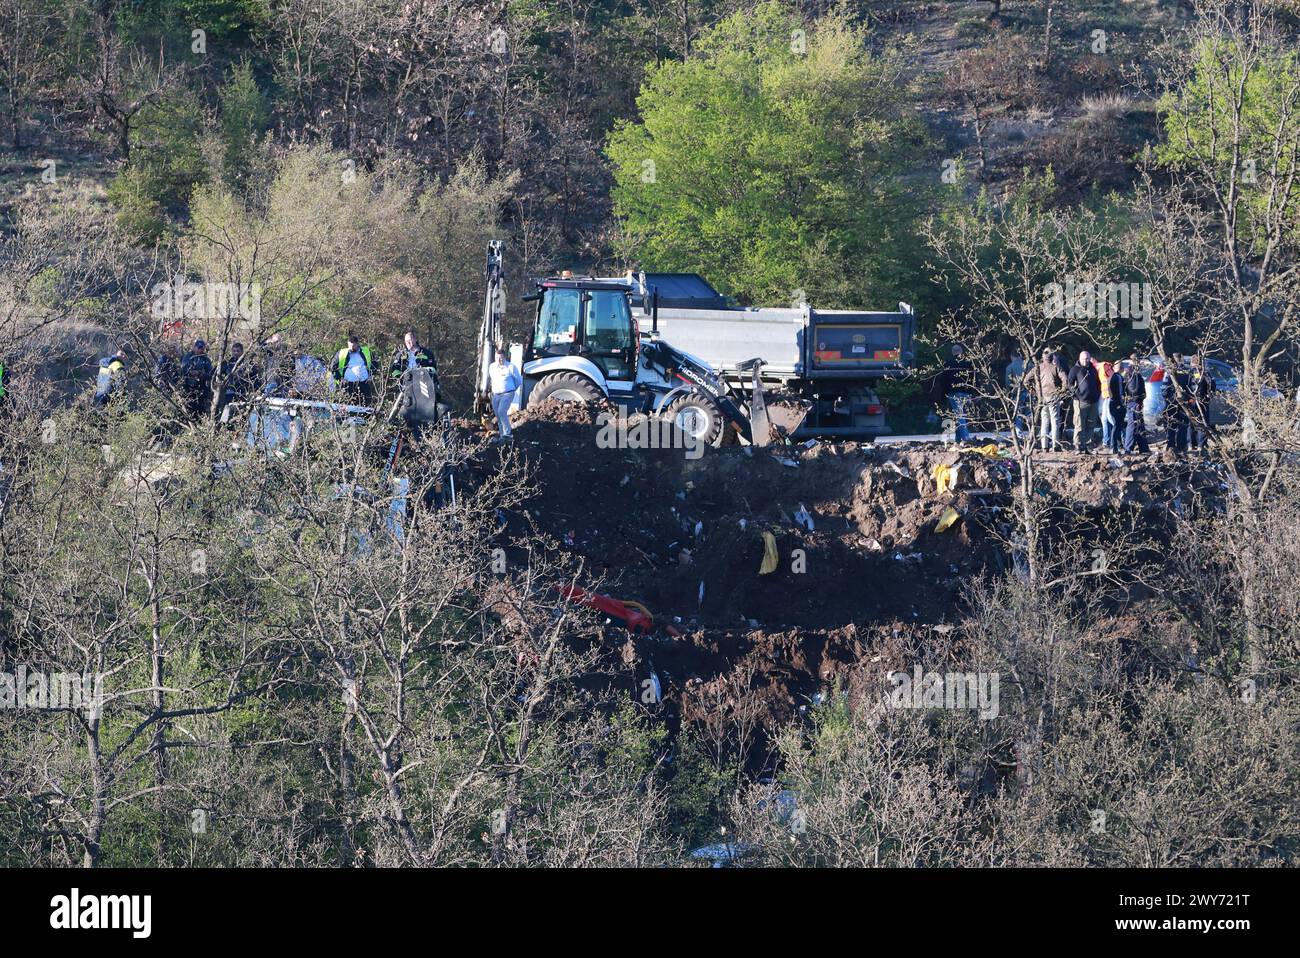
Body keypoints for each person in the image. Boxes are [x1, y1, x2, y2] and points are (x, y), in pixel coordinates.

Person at [1032, 346, 1067, 451]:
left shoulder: (1038, 367)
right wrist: (1061, 392)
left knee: (1044, 422)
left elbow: (1025, 380)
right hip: (1053, 396)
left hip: (1041, 397)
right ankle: (1055, 446)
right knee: (1054, 421)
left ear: (1043, 356)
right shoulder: (1056, 367)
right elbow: (1065, 380)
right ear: (1052, 357)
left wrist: (1034, 392)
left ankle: (1044, 447)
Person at [939, 344, 973, 443]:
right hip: (965, 392)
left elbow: (944, 381)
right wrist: (973, 393)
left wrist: (943, 396)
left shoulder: (948, 364)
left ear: (953, 352)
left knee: (959, 415)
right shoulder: (968, 363)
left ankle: (966, 438)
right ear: (961, 352)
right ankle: (958, 439)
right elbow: (973, 378)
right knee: (959, 414)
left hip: (953, 393)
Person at [1067, 350, 1101, 451]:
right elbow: (1069, 384)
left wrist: (1097, 394)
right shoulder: (1075, 370)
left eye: (1087, 359)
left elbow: (1098, 383)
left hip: (1093, 401)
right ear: (1079, 359)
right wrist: (1077, 395)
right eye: (1083, 359)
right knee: (1079, 424)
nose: (1085, 361)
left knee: (1091, 424)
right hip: (1080, 401)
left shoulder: (1093, 369)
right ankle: (1078, 445)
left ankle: (1088, 445)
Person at [488, 346, 521, 440]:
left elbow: (518, 380)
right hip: (496, 394)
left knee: (502, 411)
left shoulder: (510, 367)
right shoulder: (492, 367)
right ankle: (502, 435)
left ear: (504, 357)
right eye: (497, 358)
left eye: (501, 358)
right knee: (498, 415)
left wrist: (512, 389)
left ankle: (508, 434)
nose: (499, 360)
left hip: (507, 393)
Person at [1121, 353, 1149, 456]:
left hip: (1137, 402)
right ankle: (1128, 449)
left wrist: (1142, 398)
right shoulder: (1131, 372)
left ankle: (1143, 447)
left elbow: (1141, 390)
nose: (1139, 363)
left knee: (1140, 425)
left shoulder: (1136, 373)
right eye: (1137, 360)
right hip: (1133, 403)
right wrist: (1137, 401)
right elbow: (1133, 389)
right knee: (1132, 425)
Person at [1093, 356, 1122, 454]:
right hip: (1105, 396)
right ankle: (1106, 441)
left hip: (1109, 397)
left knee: (1111, 419)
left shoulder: (1104, 366)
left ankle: (1120, 439)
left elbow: (1112, 378)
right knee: (1104, 420)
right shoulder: (1099, 370)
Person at [180, 339, 215, 417]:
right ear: (194, 347)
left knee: (200, 407)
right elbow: (183, 369)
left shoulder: (205, 359)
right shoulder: (188, 356)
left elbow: (210, 373)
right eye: (199, 347)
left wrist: (201, 374)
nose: (200, 349)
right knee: (189, 406)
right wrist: (191, 372)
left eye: (202, 347)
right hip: (189, 386)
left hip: (201, 386)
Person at [334, 333, 373, 402]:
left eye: (354, 345)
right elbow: (333, 367)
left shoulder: (366, 351)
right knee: (349, 404)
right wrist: (339, 379)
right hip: (348, 384)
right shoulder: (342, 353)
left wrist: (371, 375)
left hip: (364, 383)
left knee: (365, 404)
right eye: (350, 345)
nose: (352, 348)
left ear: (358, 344)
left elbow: (375, 363)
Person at [1189, 355, 1216, 451]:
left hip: (1192, 400)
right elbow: (1211, 385)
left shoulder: (1190, 372)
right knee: (1203, 423)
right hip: (1202, 400)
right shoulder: (1205, 373)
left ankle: (1191, 444)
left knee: (1192, 422)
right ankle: (1201, 445)